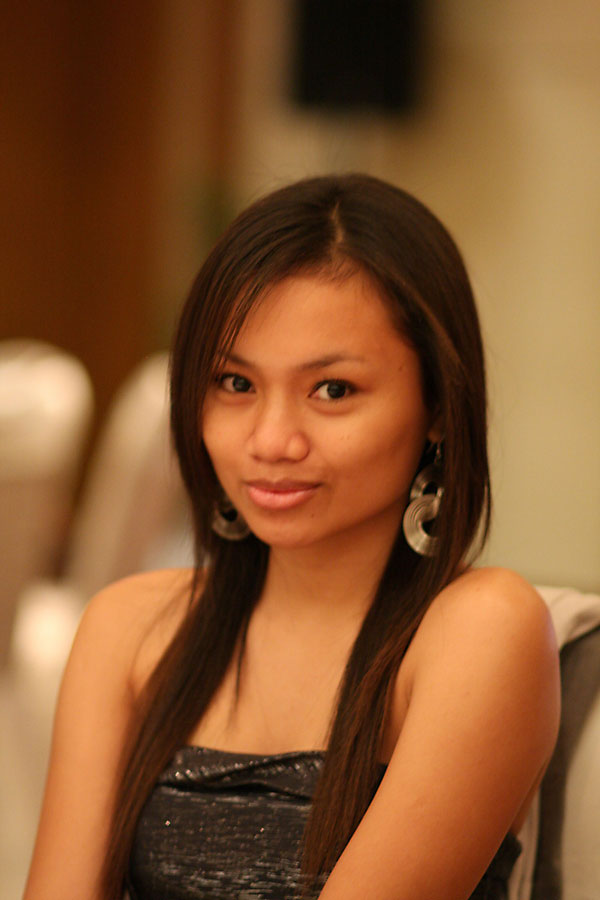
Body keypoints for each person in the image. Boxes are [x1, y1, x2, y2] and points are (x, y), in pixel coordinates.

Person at [24, 174, 560, 900]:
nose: (271, 440)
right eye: (235, 384)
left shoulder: (478, 630)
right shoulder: (129, 629)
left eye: (332, 390)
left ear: (437, 404)